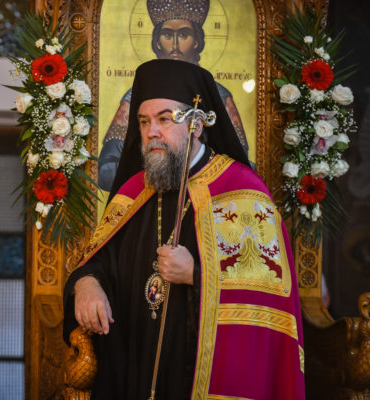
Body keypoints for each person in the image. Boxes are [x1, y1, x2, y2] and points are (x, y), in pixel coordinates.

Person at [63, 59, 304, 399]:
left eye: (165, 119)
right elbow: (101, 260)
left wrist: (197, 274)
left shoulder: (242, 191)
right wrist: (86, 283)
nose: (152, 132)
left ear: (197, 125)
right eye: (144, 121)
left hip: (196, 372)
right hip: (133, 368)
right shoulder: (133, 191)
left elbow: (269, 295)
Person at [98, 0, 249, 191]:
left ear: (196, 41)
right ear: (157, 42)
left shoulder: (219, 96)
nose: (175, 45)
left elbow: (240, 162)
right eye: (168, 35)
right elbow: (106, 171)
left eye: (184, 35)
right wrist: (158, 165)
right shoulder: (139, 95)